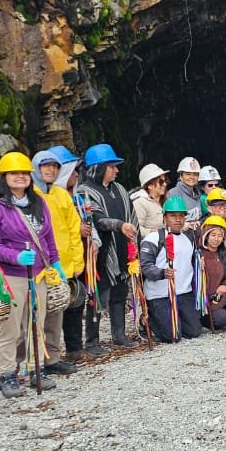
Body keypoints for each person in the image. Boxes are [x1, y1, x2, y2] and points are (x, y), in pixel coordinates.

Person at [0, 152, 65, 398]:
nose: (20, 177)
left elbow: (48, 237)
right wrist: (16, 256)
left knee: (36, 325)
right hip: (12, 276)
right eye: (14, 173)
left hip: (39, 274)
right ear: (4, 177)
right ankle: (7, 373)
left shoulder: (39, 203)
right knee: (11, 329)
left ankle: (35, 369)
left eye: (24, 173)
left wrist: (55, 263)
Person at [75, 143, 140, 349]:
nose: (116, 170)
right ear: (99, 168)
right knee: (97, 297)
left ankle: (119, 335)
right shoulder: (84, 191)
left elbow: (132, 216)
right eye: (112, 166)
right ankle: (92, 341)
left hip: (122, 251)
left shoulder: (120, 189)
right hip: (101, 255)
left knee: (120, 292)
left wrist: (134, 242)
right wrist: (120, 226)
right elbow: (98, 219)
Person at [31, 150, 83, 375]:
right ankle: (33, 362)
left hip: (61, 266)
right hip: (37, 267)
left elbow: (73, 229)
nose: (51, 170)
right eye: (46, 166)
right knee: (36, 317)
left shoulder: (62, 195)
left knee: (55, 315)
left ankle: (52, 359)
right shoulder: (29, 196)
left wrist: (76, 261)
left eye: (55, 166)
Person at [47, 145, 98, 362]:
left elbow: (86, 224)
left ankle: (74, 347)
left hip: (76, 259)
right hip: (54, 261)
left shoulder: (76, 197)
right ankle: (50, 356)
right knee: (55, 308)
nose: (77, 175)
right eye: (74, 170)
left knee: (76, 301)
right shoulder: (45, 198)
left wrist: (92, 240)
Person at [137, 198, 204, 343]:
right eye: (173, 216)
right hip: (160, 295)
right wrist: (162, 273)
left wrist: (200, 264)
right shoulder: (154, 238)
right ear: (164, 218)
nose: (178, 219)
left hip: (183, 293)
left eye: (181, 216)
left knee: (194, 331)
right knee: (172, 336)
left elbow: (189, 264)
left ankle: (176, 320)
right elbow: (145, 266)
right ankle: (147, 320)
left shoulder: (188, 239)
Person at [131, 163, 169, 237]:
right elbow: (134, 228)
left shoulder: (166, 200)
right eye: (161, 182)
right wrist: (152, 232)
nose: (165, 184)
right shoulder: (140, 202)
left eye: (166, 180)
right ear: (150, 185)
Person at [167, 157, 204, 226]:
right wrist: (186, 225)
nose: (192, 177)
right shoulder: (173, 193)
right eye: (188, 174)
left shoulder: (198, 194)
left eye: (195, 174)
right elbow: (169, 221)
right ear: (181, 176)